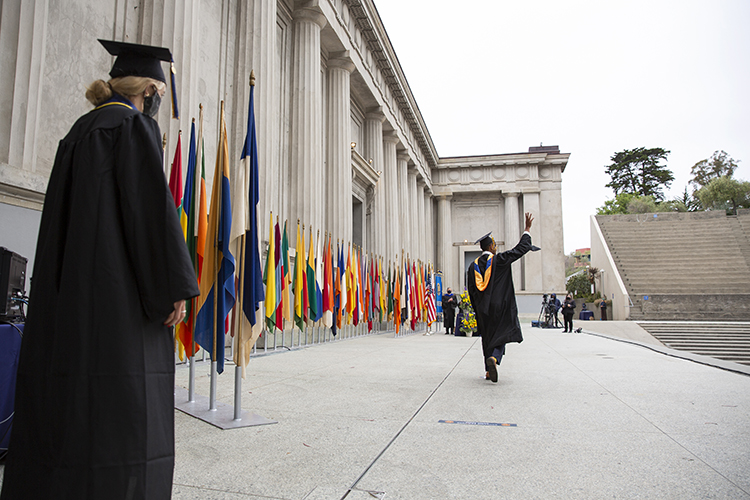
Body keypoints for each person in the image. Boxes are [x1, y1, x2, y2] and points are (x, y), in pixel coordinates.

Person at [0, 40, 200, 500]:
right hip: (117, 307)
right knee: (123, 417)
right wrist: (171, 288)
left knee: (69, 411)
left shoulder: (78, 132)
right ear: (149, 88)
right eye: (159, 94)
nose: (158, 103)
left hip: (70, 300)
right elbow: (149, 214)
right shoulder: (131, 127)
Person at [467, 213, 534, 383]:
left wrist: (477, 310)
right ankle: (495, 359)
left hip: (483, 309)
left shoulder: (472, 267)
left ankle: (488, 371)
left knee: (487, 337)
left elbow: (471, 291)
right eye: (494, 245)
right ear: (491, 247)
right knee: (502, 333)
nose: (496, 247)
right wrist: (526, 230)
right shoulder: (500, 260)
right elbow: (520, 249)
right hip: (500, 306)